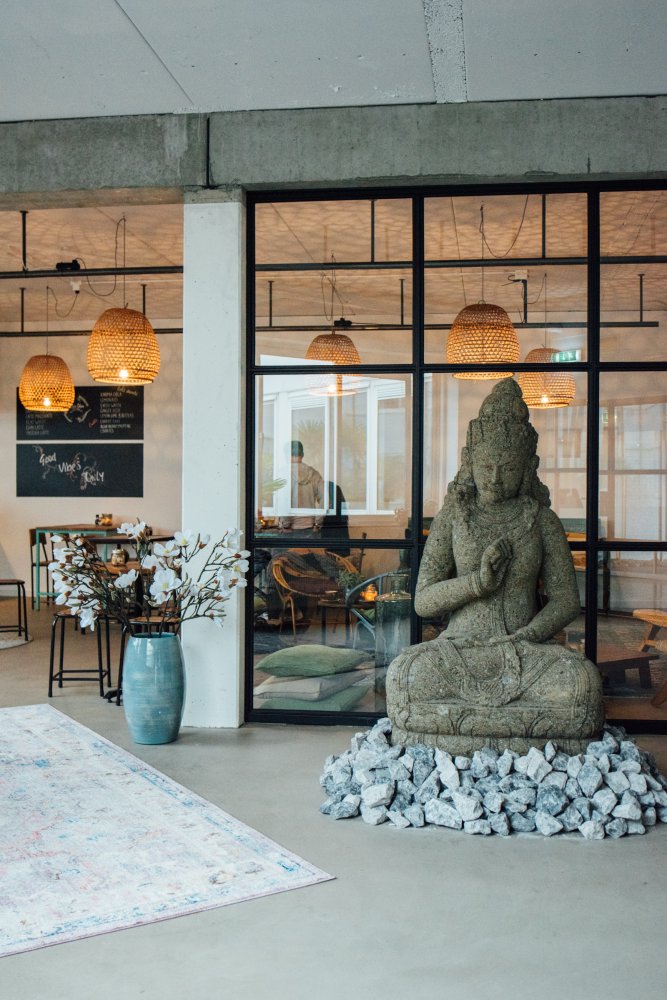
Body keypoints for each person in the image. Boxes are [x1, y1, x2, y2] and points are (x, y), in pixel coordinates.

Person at [386, 379, 603, 754]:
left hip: (526, 648)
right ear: (469, 459)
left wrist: (530, 634)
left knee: (582, 683)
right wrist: (477, 584)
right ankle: (523, 738)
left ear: (528, 467)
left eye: (508, 467)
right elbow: (423, 601)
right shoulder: (454, 516)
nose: (495, 478)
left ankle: (458, 734)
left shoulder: (541, 520)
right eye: (486, 466)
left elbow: (566, 600)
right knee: (406, 675)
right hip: (458, 648)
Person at [278, 440, 324, 537]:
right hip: (310, 526)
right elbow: (325, 500)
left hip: (289, 529)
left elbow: (283, 501)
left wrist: (286, 524)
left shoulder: (283, 473)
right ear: (302, 454)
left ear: (286, 455)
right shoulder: (314, 474)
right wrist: (317, 523)